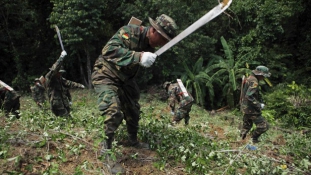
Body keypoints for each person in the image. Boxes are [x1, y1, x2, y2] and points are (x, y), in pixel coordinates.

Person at [91, 14, 178, 174]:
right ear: (153, 30)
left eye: (165, 42)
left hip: (125, 79)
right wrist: (139, 56)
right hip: (106, 73)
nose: (161, 44)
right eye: (161, 39)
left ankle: (132, 140)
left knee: (133, 109)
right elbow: (108, 51)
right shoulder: (129, 32)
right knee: (113, 111)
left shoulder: (150, 45)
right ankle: (106, 151)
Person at [45, 51, 85, 117]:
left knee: (67, 118)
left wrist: (80, 85)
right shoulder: (50, 78)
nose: (60, 74)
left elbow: (69, 83)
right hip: (56, 104)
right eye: (59, 73)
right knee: (66, 119)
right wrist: (61, 58)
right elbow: (54, 69)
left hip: (63, 103)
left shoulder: (60, 79)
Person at [240, 65, 271, 143]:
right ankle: (253, 139)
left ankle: (241, 141)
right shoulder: (254, 81)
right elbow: (249, 96)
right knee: (264, 126)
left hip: (245, 107)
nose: (264, 78)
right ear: (260, 74)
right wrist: (258, 105)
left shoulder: (250, 78)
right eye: (263, 76)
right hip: (251, 109)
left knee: (246, 126)